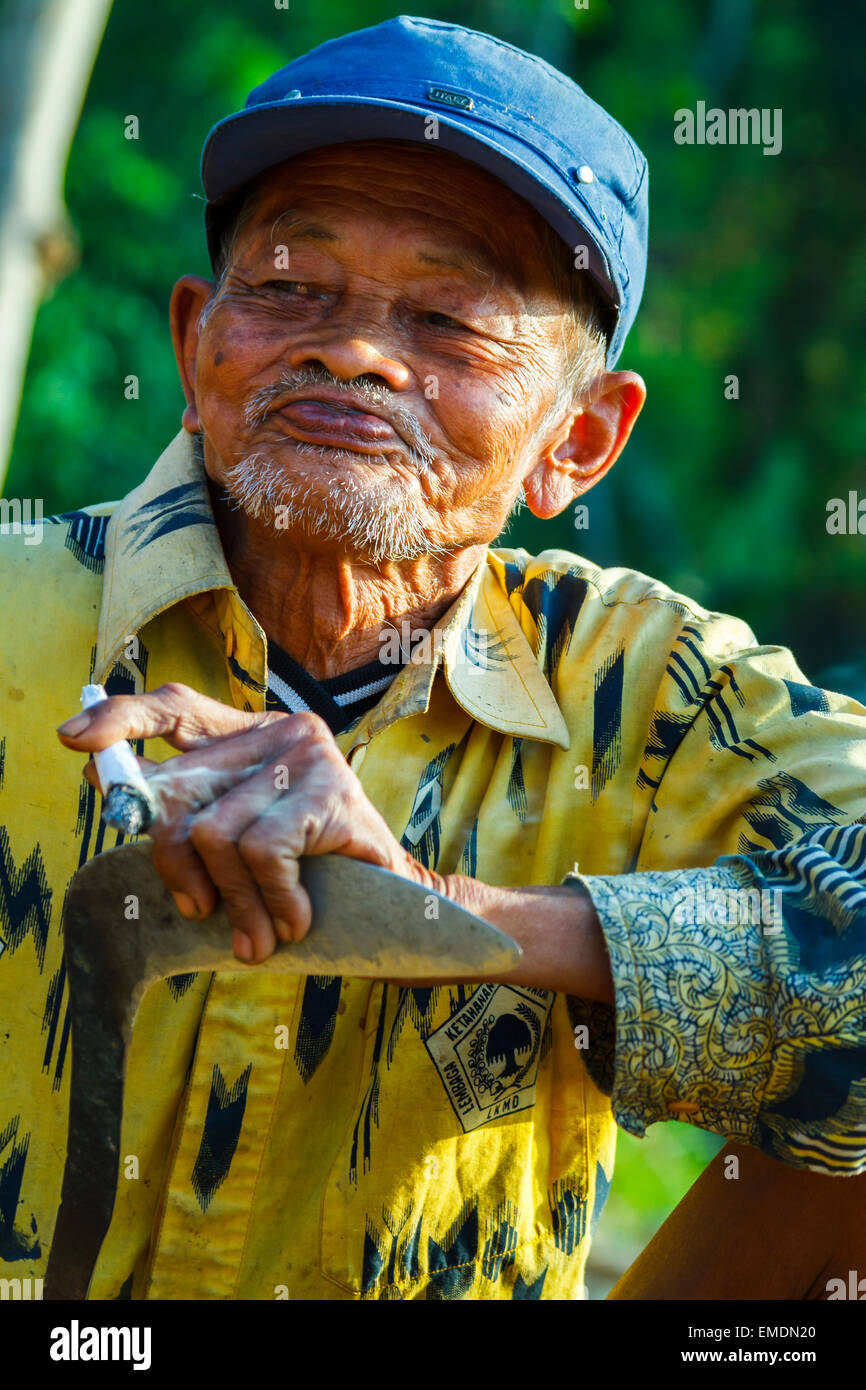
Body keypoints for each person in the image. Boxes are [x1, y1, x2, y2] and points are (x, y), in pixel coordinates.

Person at [2, 16, 865, 1302]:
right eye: (292, 285)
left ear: (576, 442)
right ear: (195, 344)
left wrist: (439, 911)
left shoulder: (650, 694)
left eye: (451, 320)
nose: (351, 347)